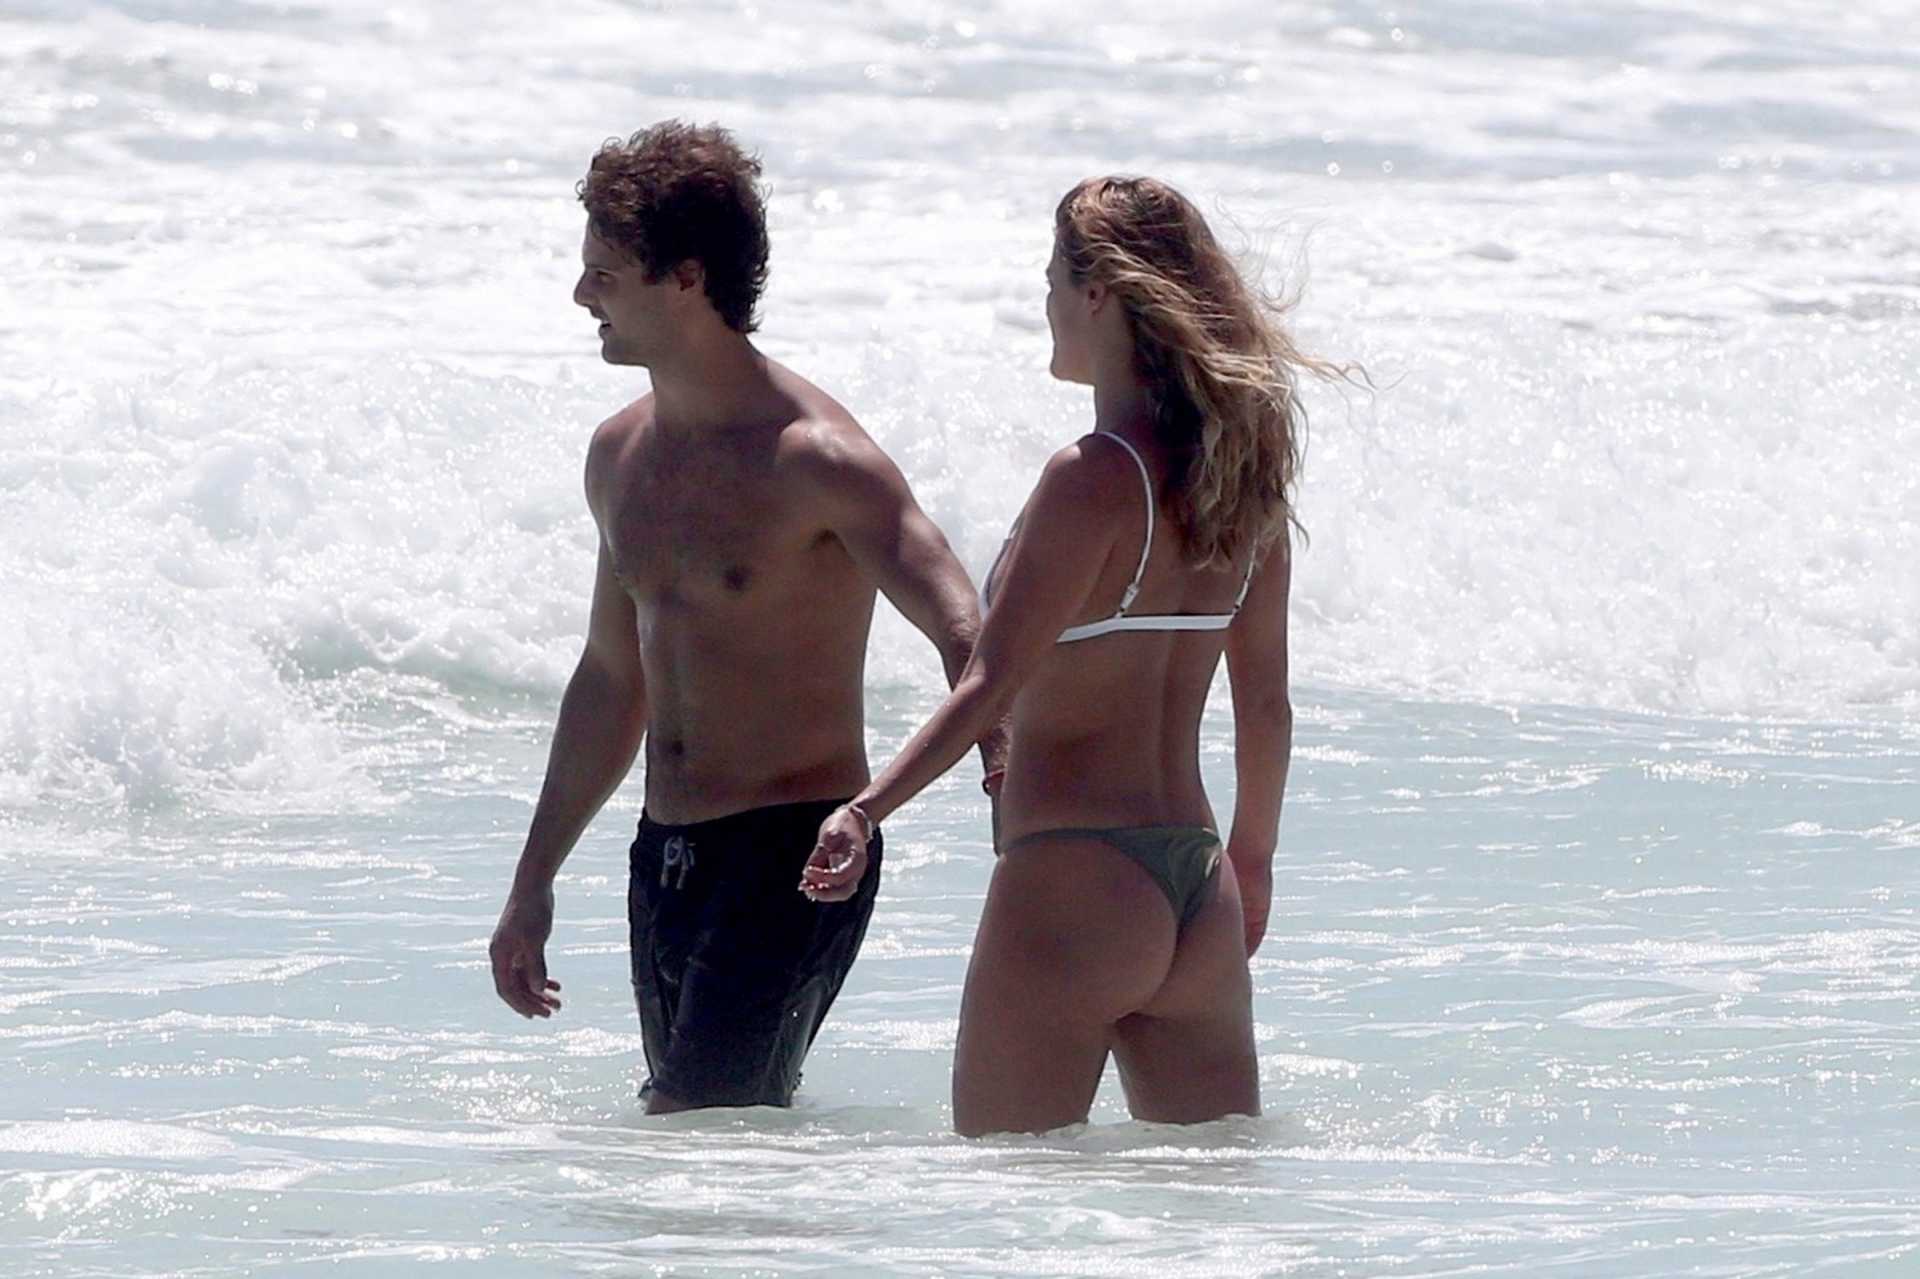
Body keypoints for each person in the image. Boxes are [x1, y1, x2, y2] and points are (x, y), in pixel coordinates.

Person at [489, 121, 1004, 1113]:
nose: (581, 294)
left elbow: (962, 624)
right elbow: (611, 677)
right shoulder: (619, 459)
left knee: (693, 1127)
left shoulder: (817, 459)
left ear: (686, 279)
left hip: (795, 854)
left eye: (605, 273)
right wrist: (533, 880)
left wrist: (999, 776)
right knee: (718, 1151)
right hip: (665, 858)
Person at [803, 175, 1333, 1136]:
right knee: (1206, 1206)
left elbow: (990, 682)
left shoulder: (1091, 480)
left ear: (1098, 295)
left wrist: (865, 808)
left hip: (1075, 879)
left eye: (1052, 280)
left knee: (1006, 1193)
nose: (1044, 302)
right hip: (1199, 888)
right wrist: (1252, 860)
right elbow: (1267, 707)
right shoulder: (1243, 490)